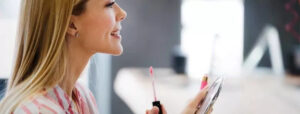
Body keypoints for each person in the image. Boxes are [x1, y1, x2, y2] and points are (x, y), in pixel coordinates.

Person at [0, 0, 211, 113]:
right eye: (110, 4)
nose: (122, 13)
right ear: (71, 24)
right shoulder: (37, 112)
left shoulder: (81, 99)